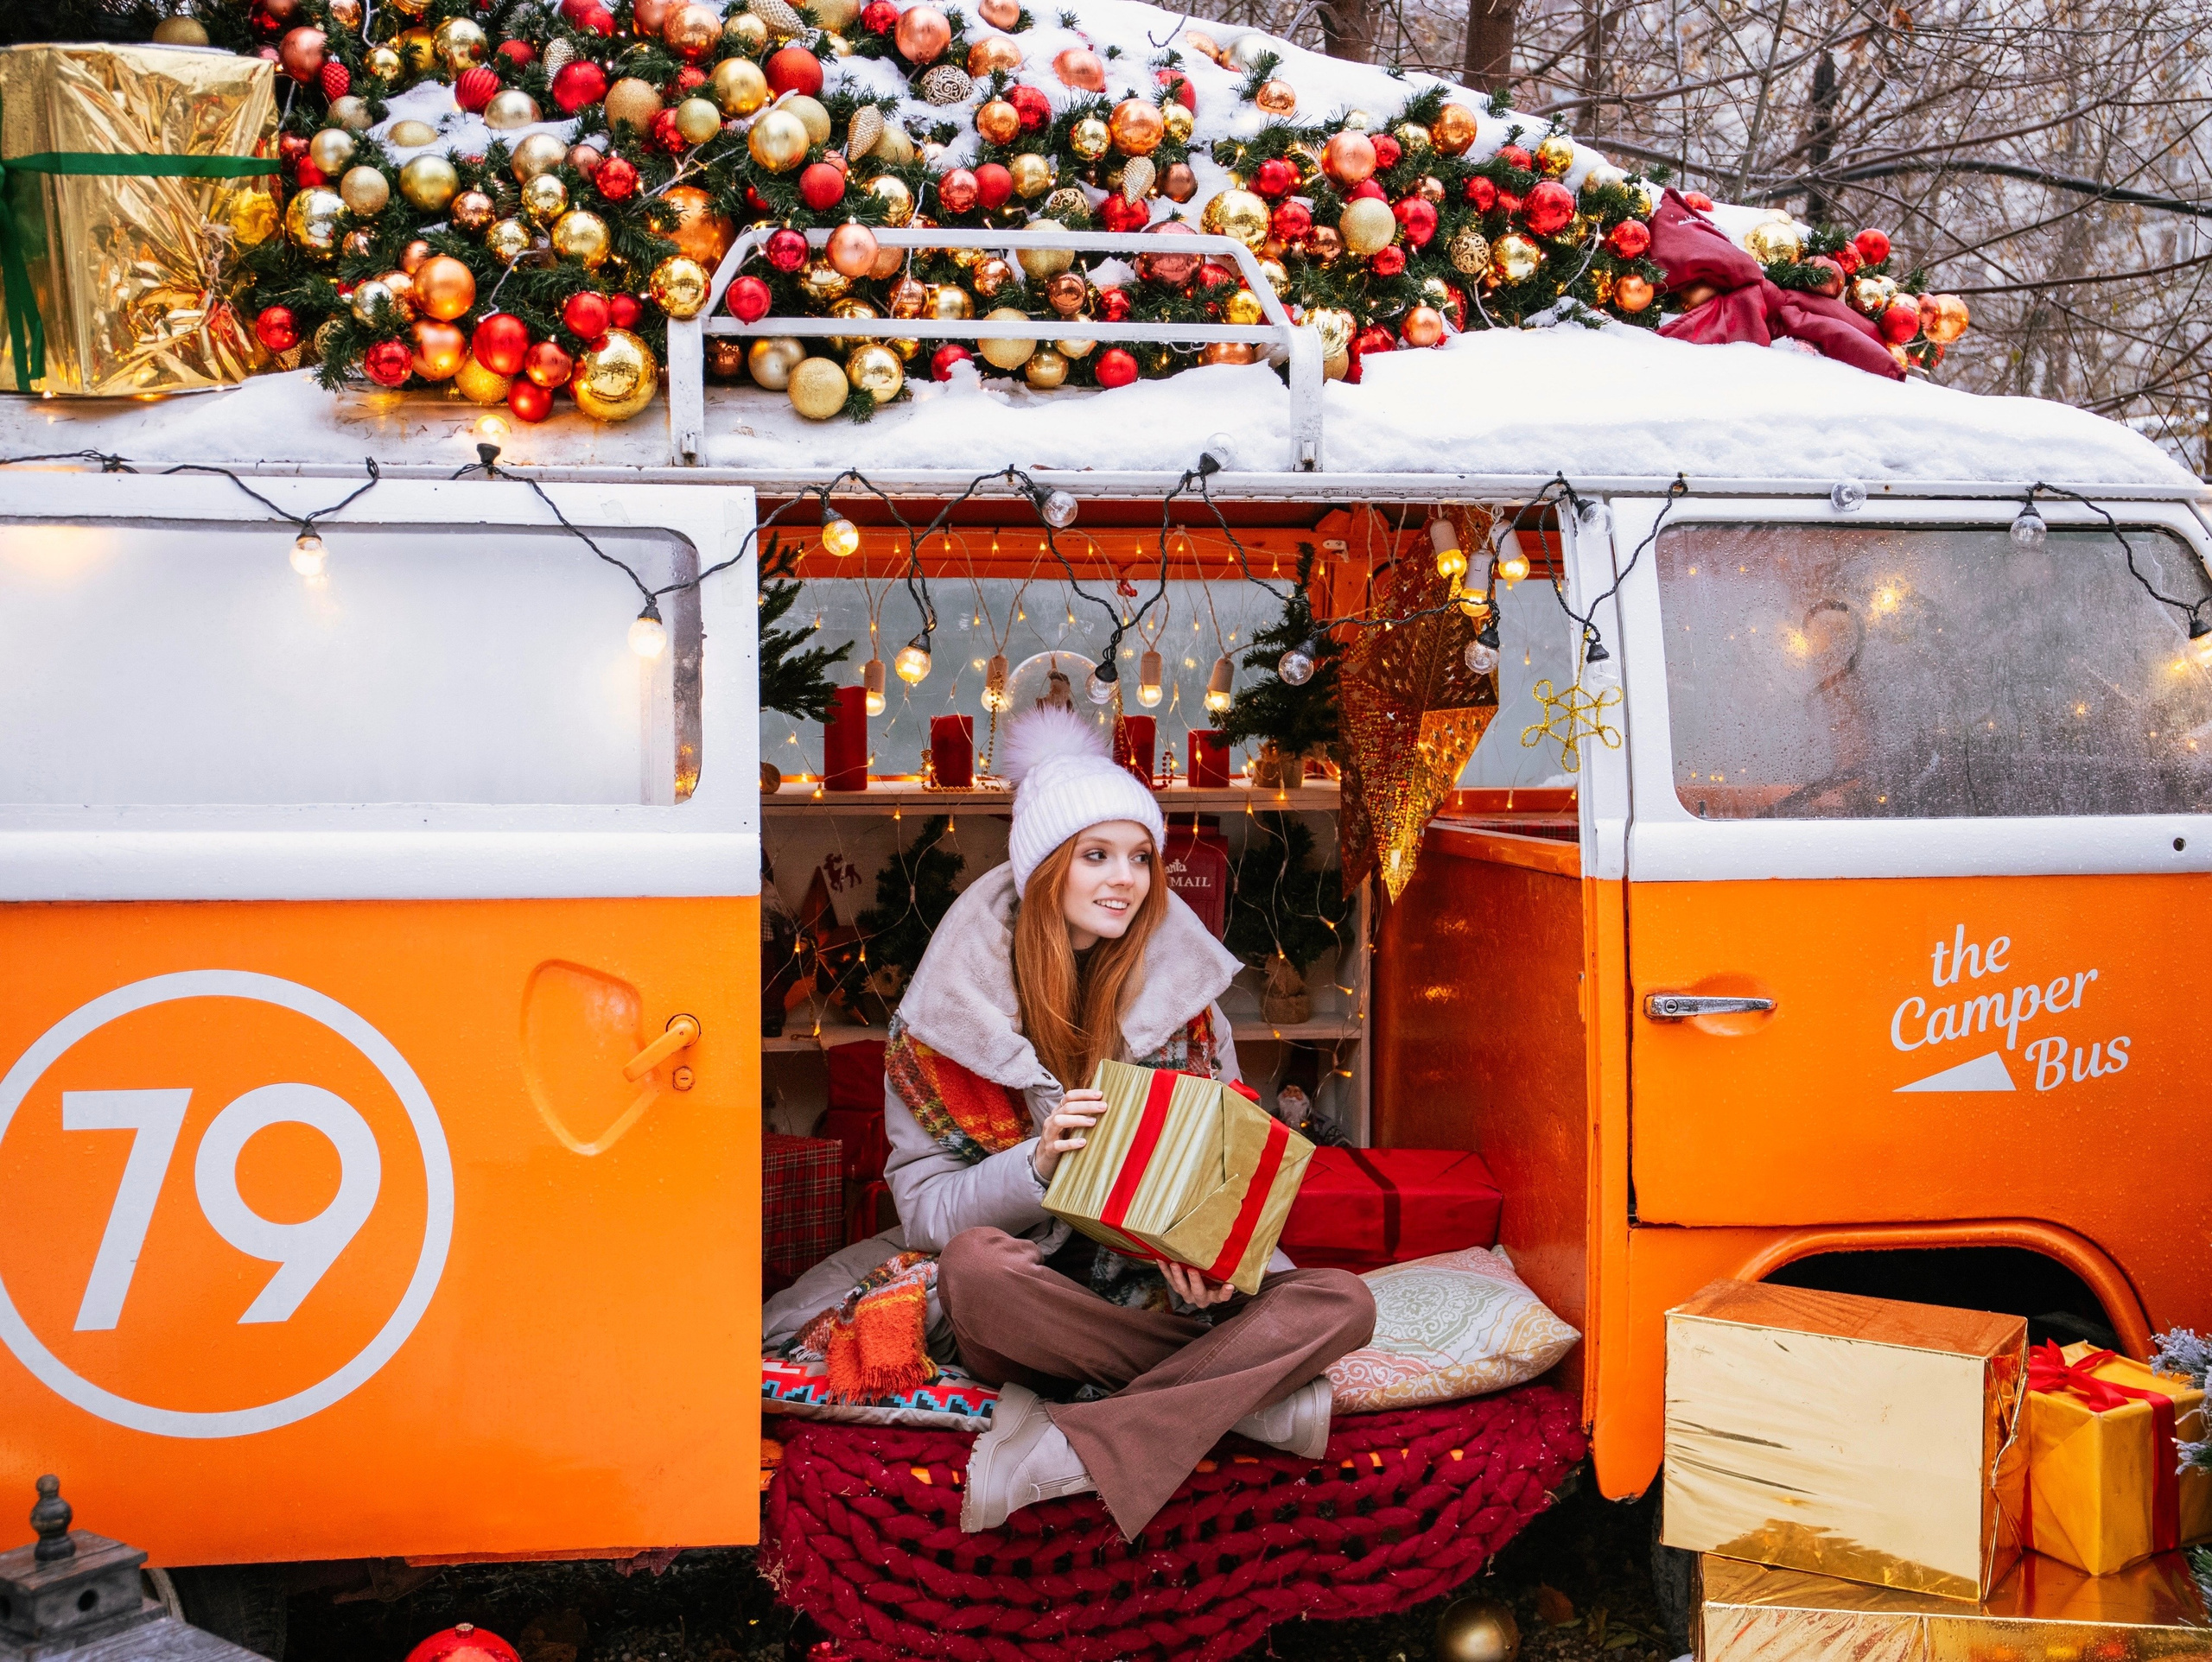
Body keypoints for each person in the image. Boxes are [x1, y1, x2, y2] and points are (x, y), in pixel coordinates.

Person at [763, 707, 1374, 1540]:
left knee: (1343, 1302)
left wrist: (1214, 1262)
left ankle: (1086, 1440)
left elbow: (1232, 1170)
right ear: (1046, 869)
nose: (1126, 879)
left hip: (1156, 1290)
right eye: (1097, 855)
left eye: (1140, 857)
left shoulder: (1188, 1003)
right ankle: (1239, 1398)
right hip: (1027, 1299)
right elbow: (927, 1215)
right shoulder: (944, 1020)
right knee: (973, 1270)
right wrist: (1037, 1167)